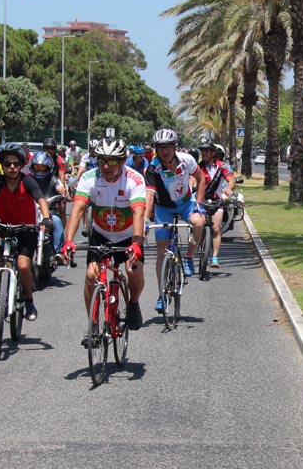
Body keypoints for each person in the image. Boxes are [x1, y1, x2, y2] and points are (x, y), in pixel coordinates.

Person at [62, 137, 147, 330]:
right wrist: (68, 241)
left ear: (122, 161)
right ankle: (93, 323)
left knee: (134, 271)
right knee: (91, 275)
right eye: (102, 161)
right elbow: (77, 210)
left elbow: (139, 212)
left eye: (111, 161)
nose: (106, 166)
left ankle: (133, 303)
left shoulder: (134, 179)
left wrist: (136, 242)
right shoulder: (88, 178)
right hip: (101, 234)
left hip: (128, 235)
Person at [0, 144, 55, 322]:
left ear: (21, 165)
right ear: (3, 165)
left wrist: (46, 218)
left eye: (16, 164)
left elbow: (41, 199)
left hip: (27, 229)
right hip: (4, 226)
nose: (12, 167)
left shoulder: (28, 181)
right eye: (8, 164)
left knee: (24, 265)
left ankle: (29, 301)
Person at [145, 128, 206, 304]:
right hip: (163, 208)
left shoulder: (187, 160)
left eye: (168, 147)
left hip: (186, 203)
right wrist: (143, 220)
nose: (164, 151)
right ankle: (161, 295)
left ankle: (188, 257)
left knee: (199, 223)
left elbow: (201, 179)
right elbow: (149, 195)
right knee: (161, 252)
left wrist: (200, 205)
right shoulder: (152, 168)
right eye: (160, 147)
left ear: (175, 147)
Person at [197, 137, 236, 270]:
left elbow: (231, 179)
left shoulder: (221, 166)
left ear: (213, 153)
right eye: (203, 152)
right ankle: (201, 244)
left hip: (216, 202)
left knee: (216, 228)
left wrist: (229, 189)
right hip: (200, 201)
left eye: (207, 151)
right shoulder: (198, 167)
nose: (204, 154)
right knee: (197, 225)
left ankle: (214, 256)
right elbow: (191, 179)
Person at [27, 150, 67, 261]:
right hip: (31, 212)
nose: (39, 169)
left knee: (57, 222)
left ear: (48, 168)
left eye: (42, 167)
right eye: (37, 166)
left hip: (50, 211)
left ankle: (58, 251)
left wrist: (62, 193)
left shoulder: (53, 179)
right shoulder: (28, 179)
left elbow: (60, 187)